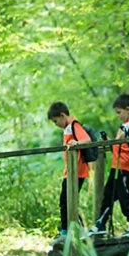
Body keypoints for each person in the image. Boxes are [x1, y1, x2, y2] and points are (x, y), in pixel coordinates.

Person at [88, 94, 129, 237]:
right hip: (116, 167)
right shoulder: (122, 127)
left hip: (125, 168)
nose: (118, 116)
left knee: (126, 197)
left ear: (128, 109)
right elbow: (116, 147)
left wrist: (128, 139)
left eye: (119, 112)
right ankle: (100, 223)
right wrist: (108, 140)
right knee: (108, 196)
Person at [48, 101, 91, 244]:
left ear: (62, 115)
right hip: (70, 171)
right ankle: (68, 231)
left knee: (68, 201)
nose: (56, 124)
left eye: (56, 121)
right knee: (65, 201)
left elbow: (87, 140)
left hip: (77, 171)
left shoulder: (74, 125)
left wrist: (76, 143)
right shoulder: (67, 129)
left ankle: (73, 232)